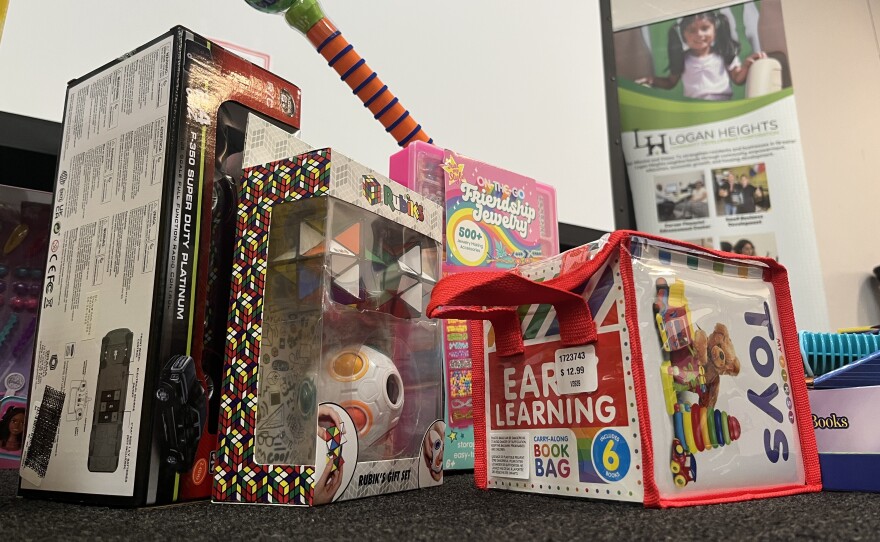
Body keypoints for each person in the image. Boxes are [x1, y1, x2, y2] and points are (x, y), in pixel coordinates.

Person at [639, 11, 766, 100]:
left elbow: (738, 79)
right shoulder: (682, 58)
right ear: (683, 34)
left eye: (705, 28)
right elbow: (671, 82)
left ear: (715, 30)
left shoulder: (724, 53)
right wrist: (653, 80)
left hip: (723, 104)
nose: (699, 34)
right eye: (692, 30)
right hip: (696, 108)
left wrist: (747, 64)